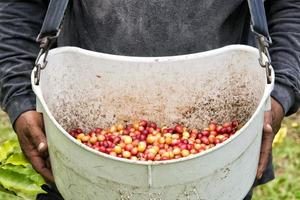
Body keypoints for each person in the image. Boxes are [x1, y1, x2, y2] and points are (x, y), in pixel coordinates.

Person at [0, 0, 299, 199]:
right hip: (83, 155)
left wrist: (280, 91)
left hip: (219, 162)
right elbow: (19, 5)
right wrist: (20, 98)